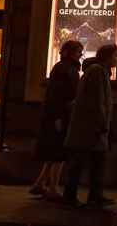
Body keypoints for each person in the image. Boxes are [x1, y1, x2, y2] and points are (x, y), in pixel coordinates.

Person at [62, 42, 117, 208]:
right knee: (79, 162)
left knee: (96, 162)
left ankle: (95, 194)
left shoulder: (100, 71)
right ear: (108, 57)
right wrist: (102, 123)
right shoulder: (97, 71)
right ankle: (70, 197)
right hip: (90, 127)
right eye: (116, 55)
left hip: (93, 126)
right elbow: (96, 101)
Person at [33, 39, 83, 199]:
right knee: (59, 152)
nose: (80, 54)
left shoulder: (62, 68)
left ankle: (40, 182)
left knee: (54, 150)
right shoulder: (67, 70)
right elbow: (61, 95)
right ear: (68, 52)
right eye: (77, 51)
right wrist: (60, 117)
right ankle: (53, 188)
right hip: (61, 114)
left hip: (56, 114)